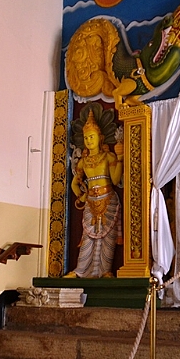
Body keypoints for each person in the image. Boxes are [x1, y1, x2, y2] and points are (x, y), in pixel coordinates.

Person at [65, 110, 123, 278]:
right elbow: (75, 183)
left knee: (108, 236)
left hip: (108, 199)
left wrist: (119, 158)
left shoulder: (108, 156)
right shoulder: (83, 161)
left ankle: (105, 270)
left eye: (91, 137)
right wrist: (81, 195)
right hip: (90, 201)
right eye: (86, 138)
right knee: (88, 236)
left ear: (100, 138)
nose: (88, 141)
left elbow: (115, 178)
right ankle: (80, 270)